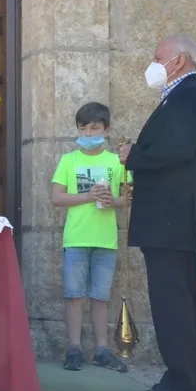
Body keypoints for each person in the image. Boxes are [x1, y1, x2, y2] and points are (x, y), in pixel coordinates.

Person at [119, 33, 196, 391]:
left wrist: (133, 154)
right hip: (173, 219)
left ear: (178, 61)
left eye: (157, 57)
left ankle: (183, 384)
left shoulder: (190, 96)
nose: (152, 64)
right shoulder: (187, 96)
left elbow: (176, 150)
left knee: (173, 305)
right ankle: (186, 381)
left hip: (173, 219)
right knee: (179, 303)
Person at [50, 102, 130, 373]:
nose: (87, 133)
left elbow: (129, 198)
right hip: (76, 238)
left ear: (106, 130)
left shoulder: (115, 162)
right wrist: (88, 197)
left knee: (100, 297)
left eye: (94, 128)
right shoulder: (69, 160)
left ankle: (102, 349)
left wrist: (115, 201)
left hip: (105, 240)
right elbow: (56, 197)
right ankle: (73, 348)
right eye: (82, 128)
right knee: (74, 295)